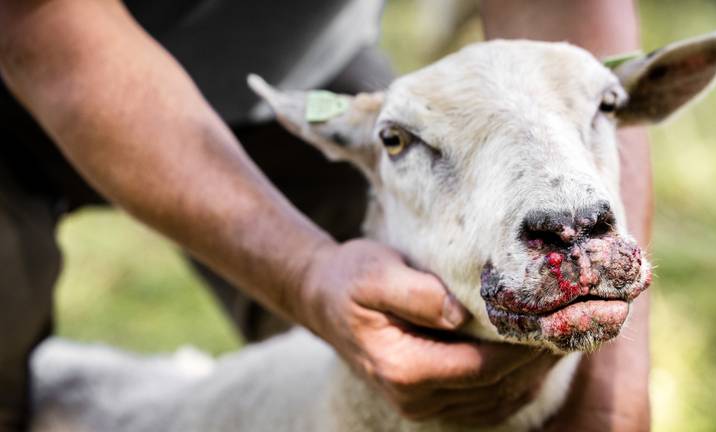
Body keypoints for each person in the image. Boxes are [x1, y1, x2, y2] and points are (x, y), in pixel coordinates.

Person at [0, 0, 652, 430]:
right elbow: (37, 24)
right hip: (30, 66)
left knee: (393, 337)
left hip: (302, 71)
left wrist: (613, 395)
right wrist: (306, 273)